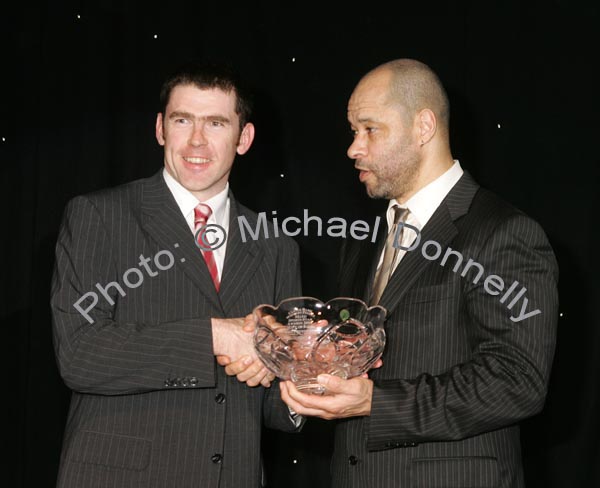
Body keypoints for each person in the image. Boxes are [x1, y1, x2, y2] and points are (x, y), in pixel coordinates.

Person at [279, 59, 558, 487]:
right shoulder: (364, 239)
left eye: (370, 129)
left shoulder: (504, 231)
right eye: (354, 131)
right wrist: (323, 358)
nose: (353, 148)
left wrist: (375, 402)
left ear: (423, 126)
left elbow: (517, 381)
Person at [50, 62, 302, 488]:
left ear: (244, 138)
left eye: (217, 123)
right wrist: (215, 336)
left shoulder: (277, 245)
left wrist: (307, 381)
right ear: (160, 129)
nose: (197, 140)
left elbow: (277, 405)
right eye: (182, 120)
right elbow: (79, 354)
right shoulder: (99, 216)